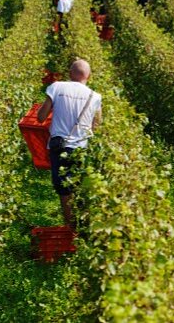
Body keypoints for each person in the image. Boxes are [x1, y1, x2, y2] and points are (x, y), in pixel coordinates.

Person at [37, 58, 102, 228]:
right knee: (78, 185)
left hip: (59, 146)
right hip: (81, 148)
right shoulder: (95, 96)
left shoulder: (57, 87)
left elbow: (41, 116)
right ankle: (82, 224)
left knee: (63, 188)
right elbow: (97, 125)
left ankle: (70, 226)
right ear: (89, 76)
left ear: (70, 73)